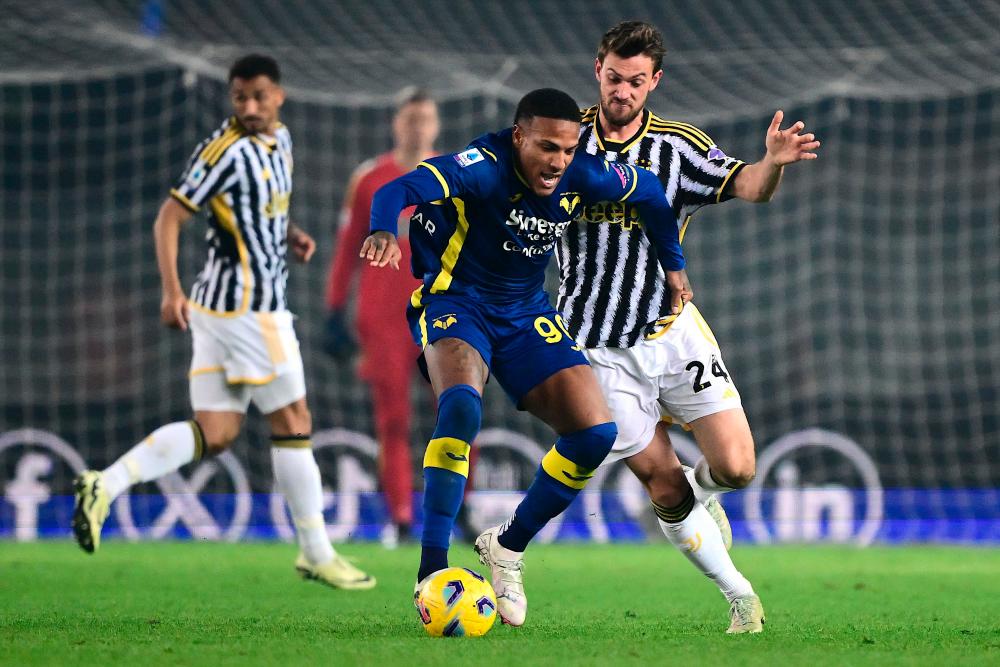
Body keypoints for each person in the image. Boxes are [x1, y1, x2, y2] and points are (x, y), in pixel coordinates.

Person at [361, 88, 692, 627]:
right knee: (462, 409)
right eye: (545, 148)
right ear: (519, 137)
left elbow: (651, 192)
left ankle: (508, 545)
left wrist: (672, 264)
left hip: (525, 313)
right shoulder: (483, 167)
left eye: (567, 149)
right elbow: (400, 187)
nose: (557, 162)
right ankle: (431, 571)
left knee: (594, 434)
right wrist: (381, 227)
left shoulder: (583, 172)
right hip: (456, 300)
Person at [70, 54, 375, 591]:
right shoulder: (225, 150)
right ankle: (317, 552)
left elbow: (261, 210)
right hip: (248, 311)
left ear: (278, 95)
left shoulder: (281, 141)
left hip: (225, 313)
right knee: (295, 419)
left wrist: (289, 234)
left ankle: (105, 483)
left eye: (259, 96)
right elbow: (170, 216)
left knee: (216, 434)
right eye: (240, 98)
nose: (250, 107)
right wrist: (171, 291)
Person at [555, 21, 821, 633]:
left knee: (737, 468)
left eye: (637, 82)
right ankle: (741, 599)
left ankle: (706, 497)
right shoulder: (564, 139)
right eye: (615, 78)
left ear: (656, 82)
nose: (623, 92)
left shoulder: (677, 147)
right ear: (598, 69)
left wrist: (772, 162)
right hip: (596, 350)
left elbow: (751, 187)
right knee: (663, 483)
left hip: (672, 331)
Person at [323, 89, 441, 547]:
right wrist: (335, 308)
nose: (417, 127)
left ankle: (459, 508)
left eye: (425, 119)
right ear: (397, 123)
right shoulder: (369, 179)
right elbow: (346, 247)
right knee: (393, 420)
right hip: (384, 319)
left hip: (440, 312)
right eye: (411, 119)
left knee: (454, 412)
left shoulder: (452, 174)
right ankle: (402, 518)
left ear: (434, 125)